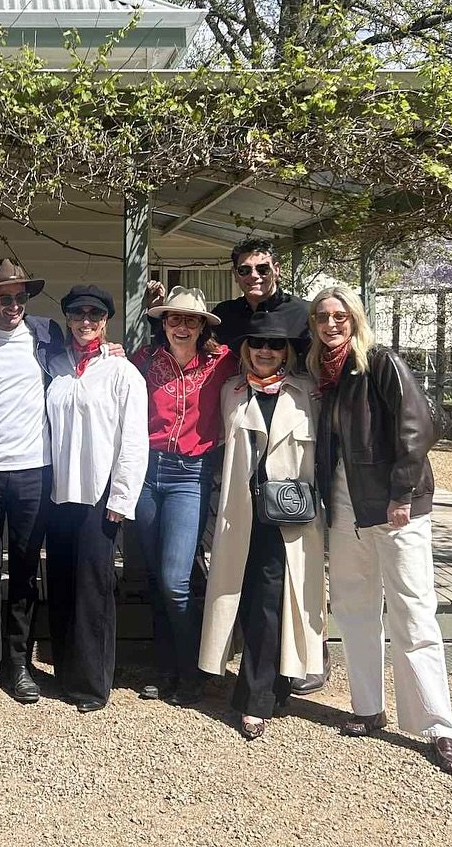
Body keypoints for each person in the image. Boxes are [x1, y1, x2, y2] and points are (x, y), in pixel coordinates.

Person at [309, 284, 452, 775]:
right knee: (355, 611)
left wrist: (402, 493)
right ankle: (367, 706)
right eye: (321, 318)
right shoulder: (326, 374)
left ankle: (439, 726)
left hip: (394, 506)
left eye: (339, 316)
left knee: (413, 613)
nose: (331, 324)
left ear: (355, 318)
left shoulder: (380, 362)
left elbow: (418, 427)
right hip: (345, 506)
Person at [200, 303, 325, 739]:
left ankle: (257, 697)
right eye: (259, 344)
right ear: (246, 349)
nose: (266, 351)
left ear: (287, 351)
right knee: (250, 597)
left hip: (288, 515)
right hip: (241, 513)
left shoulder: (307, 392)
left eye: (276, 344)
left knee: (275, 600)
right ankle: (268, 688)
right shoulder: (232, 391)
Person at [0, 258, 66, 705]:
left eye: (21, 296)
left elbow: (81, 363)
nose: (14, 305)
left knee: (24, 569)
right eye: (5, 297)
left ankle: (19, 662)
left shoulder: (47, 335)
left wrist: (114, 349)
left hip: (34, 470)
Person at [43, 285, 148, 713]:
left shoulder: (123, 373)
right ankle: (64, 671)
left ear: (106, 320)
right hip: (56, 490)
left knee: (93, 587)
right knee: (62, 581)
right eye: (78, 314)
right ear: (67, 318)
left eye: (95, 314)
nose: (86, 321)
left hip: (98, 491)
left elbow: (134, 441)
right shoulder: (54, 365)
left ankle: (91, 683)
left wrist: (122, 498)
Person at [130, 286, 236, 705]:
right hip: (146, 471)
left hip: (189, 475)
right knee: (157, 577)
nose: (182, 326)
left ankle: (194, 669)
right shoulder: (144, 360)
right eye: (174, 318)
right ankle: (164, 666)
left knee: (176, 580)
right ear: (163, 323)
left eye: (190, 319)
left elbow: (265, 365)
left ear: (202, 326)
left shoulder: (222, 362)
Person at [210, 238, 303, 352]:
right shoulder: (223, 315)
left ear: (277, 270)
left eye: (262, 269)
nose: (254, 275)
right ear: (235, 274)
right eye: (244, 270)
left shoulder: (303, 314)